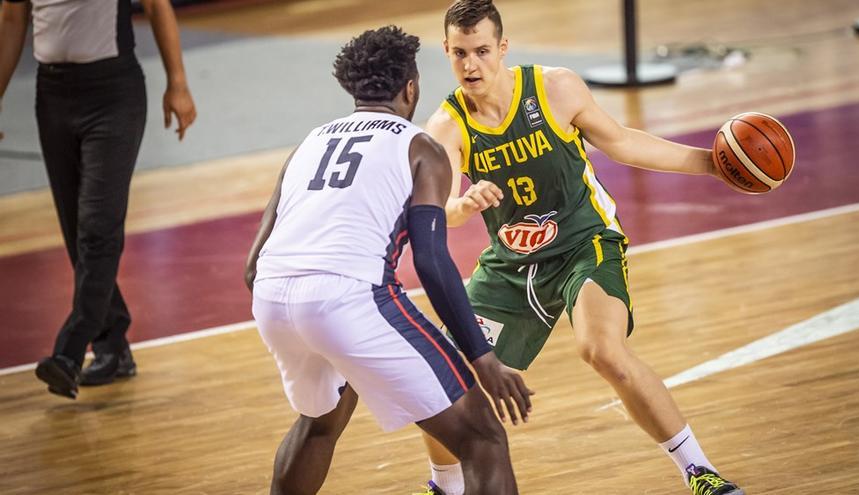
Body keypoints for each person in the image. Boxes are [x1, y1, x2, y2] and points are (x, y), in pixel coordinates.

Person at [416, 1, 744, 494]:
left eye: (482, 51)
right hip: (512, 264)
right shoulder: (445, 127)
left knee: (602, 350)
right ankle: (444, 486)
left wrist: (711, 163)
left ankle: (700, 472)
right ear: (445, 50)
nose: (470, 65)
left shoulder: (554, 87)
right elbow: (436, 215)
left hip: (583, 242)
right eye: (459, 53)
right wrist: (465, 204)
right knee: (443, 376)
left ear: (503, 48)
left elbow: (621, 142)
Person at [244, 26, 533, 495]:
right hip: (349, 297)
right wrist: (483, 359)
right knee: (482, 437)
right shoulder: (420, 147)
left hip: (272, 298)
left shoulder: (309, 143)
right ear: (411, 87)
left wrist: (309, 321)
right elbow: (432, 261)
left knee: (318, 424)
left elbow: (254, 264)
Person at [0, 0, 196, 398]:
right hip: (52, 96)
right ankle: (113, 346)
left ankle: (70, 351)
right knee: (77, 232)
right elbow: (12, 17)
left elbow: (158, 7)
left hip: (113, 95)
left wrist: (178, 83)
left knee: (97, 228)